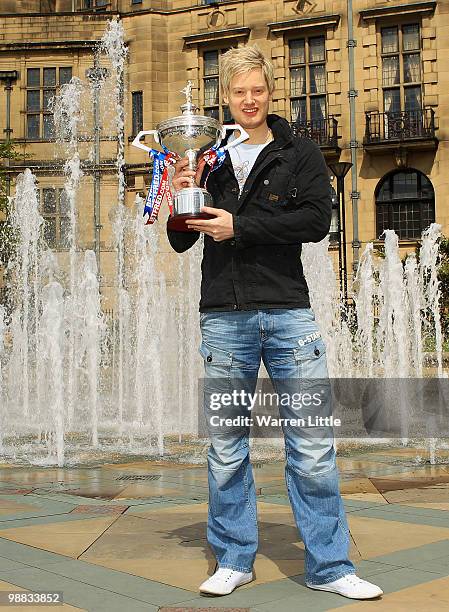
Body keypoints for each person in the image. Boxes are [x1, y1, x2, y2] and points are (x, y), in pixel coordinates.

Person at [166, 45, 383, 600]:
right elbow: (179, 240)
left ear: (270, 92)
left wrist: (240, 227)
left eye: (257, 90)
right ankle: (234, 558)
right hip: (224, 318)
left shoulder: (299, 151)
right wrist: (178, 198)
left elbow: (315, 221)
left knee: (312, 445)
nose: (249, 100)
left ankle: (331, 567)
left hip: (290, 315)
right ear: (227, 98)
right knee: (226, 445)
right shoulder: (206, 157)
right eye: (239, 93)